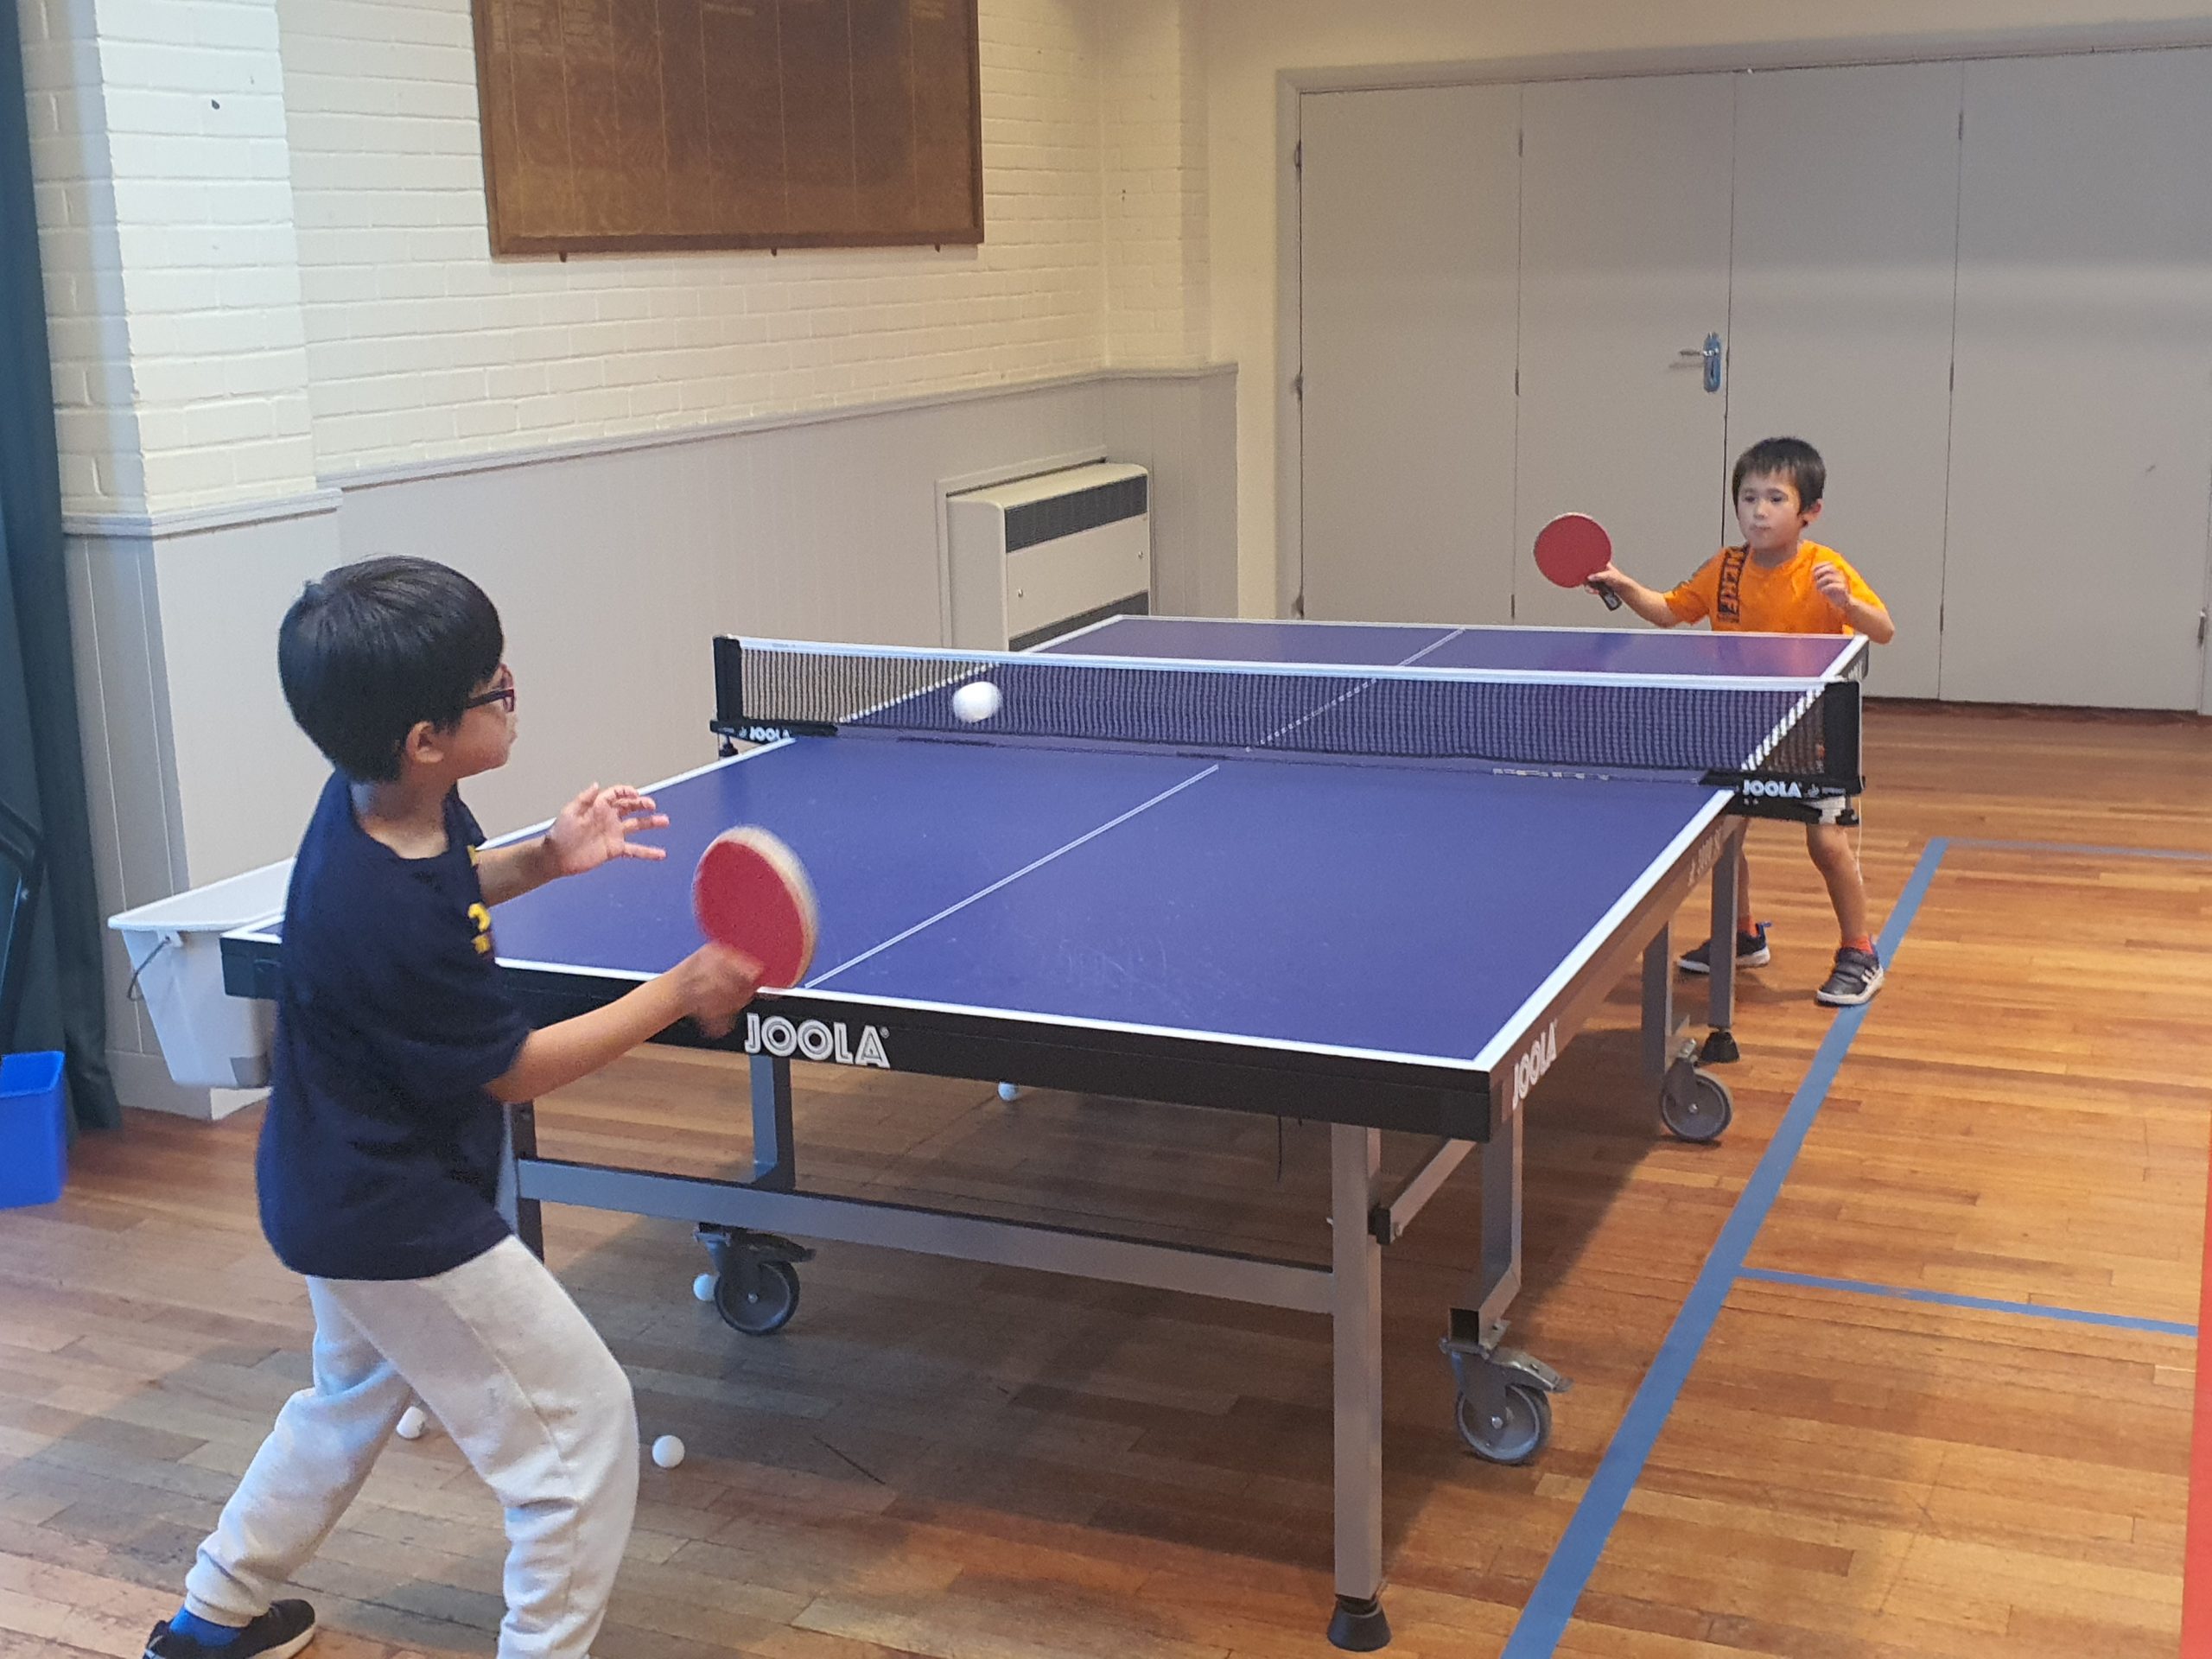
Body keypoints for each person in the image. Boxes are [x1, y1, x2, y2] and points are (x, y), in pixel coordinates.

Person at [144, 556, 761, 1659]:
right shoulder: (380, 906)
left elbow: (448, 882)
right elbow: (514, 1070)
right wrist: (674, 994)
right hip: (397, 1216)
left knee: (344, 1404)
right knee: (579, 1441)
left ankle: (210, 1622)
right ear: (425, 738)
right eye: (493, 686)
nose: (511, 685)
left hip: (329, 1187)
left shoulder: (379, 804)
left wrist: (548, 857)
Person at [1589, 436, 1896, 1007]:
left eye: (1775, 498)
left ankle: (1861, 950)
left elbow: (1883, 630)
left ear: (1809, 512)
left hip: (1815, 727)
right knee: (1727, 836)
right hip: (1742, 722)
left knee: (1826, 844)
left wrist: (1849, 606)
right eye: (1749, 497)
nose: (1758, 509)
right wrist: (1622, 583)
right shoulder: (1725, 568)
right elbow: (1670, 612)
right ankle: (1743, 934)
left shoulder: (1824, 568)